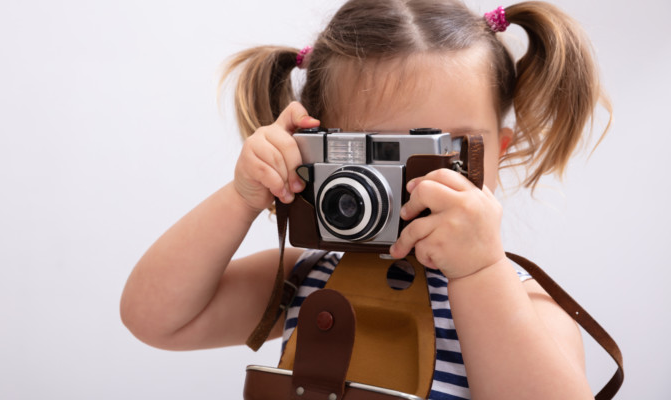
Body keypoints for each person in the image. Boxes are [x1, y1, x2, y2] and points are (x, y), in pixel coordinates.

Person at [120, 1, 609, 399]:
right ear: (315, 150)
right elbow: (156, 320)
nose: (413, 184)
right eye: (379, 152)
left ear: (497, 154)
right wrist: (242, 197)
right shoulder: (304, 276)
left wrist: (479, 272)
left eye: (448, 152)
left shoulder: (526, 302)